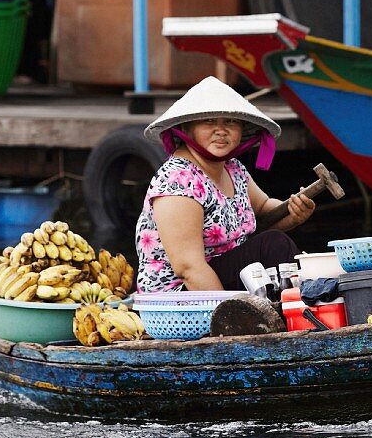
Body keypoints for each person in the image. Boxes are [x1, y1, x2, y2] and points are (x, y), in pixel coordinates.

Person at [135, 77, 316, 292]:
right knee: (273, 244)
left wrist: (293, 212)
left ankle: (302, 305)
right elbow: (189, 269)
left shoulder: (233, 168)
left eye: (230, 122)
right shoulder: (178, 180)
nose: (221, 131)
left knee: (274, 243)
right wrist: (228, 317)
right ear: (187, 127)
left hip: (225, 274)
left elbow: (264, 209)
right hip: (182, 294)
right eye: (209, 121)